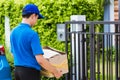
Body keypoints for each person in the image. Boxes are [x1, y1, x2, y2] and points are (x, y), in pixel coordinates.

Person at [10, 4, 62, 80]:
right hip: (30, 73)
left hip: (17, 71)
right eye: (37, 18)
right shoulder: (32, 34)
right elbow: (40, 60)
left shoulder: (13, 32)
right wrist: (56, 71)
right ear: (33, 15)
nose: (36, 21)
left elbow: (13, 54)